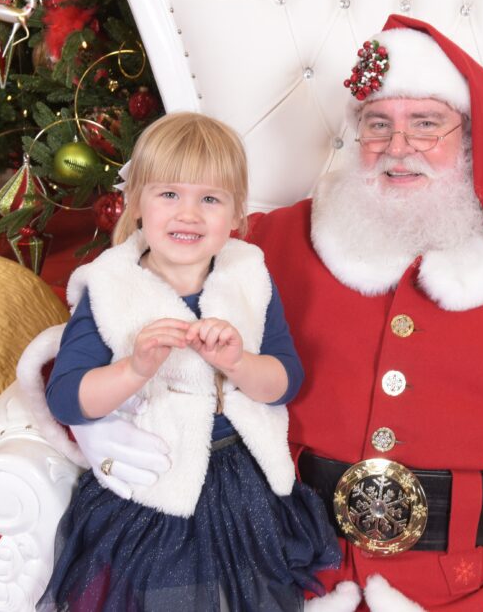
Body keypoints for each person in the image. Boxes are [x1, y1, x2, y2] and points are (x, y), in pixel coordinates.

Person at [64, 17, 483, 611]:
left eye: (427, 123)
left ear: (476, 141)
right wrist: (94, 416)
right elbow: (121, 303)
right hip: (287, 572)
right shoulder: (262, 247)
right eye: (377, 124)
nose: (399, 146)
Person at [37, 112, 340, 611]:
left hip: (244, 483)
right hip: (155, 488)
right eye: (169, 194)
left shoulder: (250, 275)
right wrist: (134, 369)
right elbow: (69, 399)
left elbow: (285, 382)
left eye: (210, 199)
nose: (189, 214)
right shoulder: (110, 286)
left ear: (237, 214)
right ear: (136, 202)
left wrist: (239, 362)